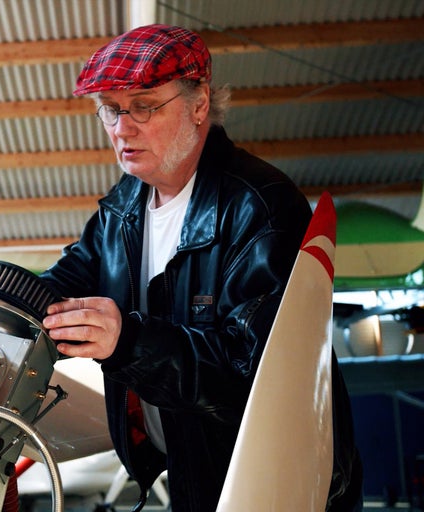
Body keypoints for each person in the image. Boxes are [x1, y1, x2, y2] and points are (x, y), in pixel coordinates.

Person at [39, 24, 363, 511]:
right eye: (111, 108)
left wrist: (127, 341)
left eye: (144, 105)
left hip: (273, 485)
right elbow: (60, 285)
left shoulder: (261, 209)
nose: (122, 127)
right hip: (193, 475)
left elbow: (258, 378)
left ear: (199, 104)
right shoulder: (123, 209)